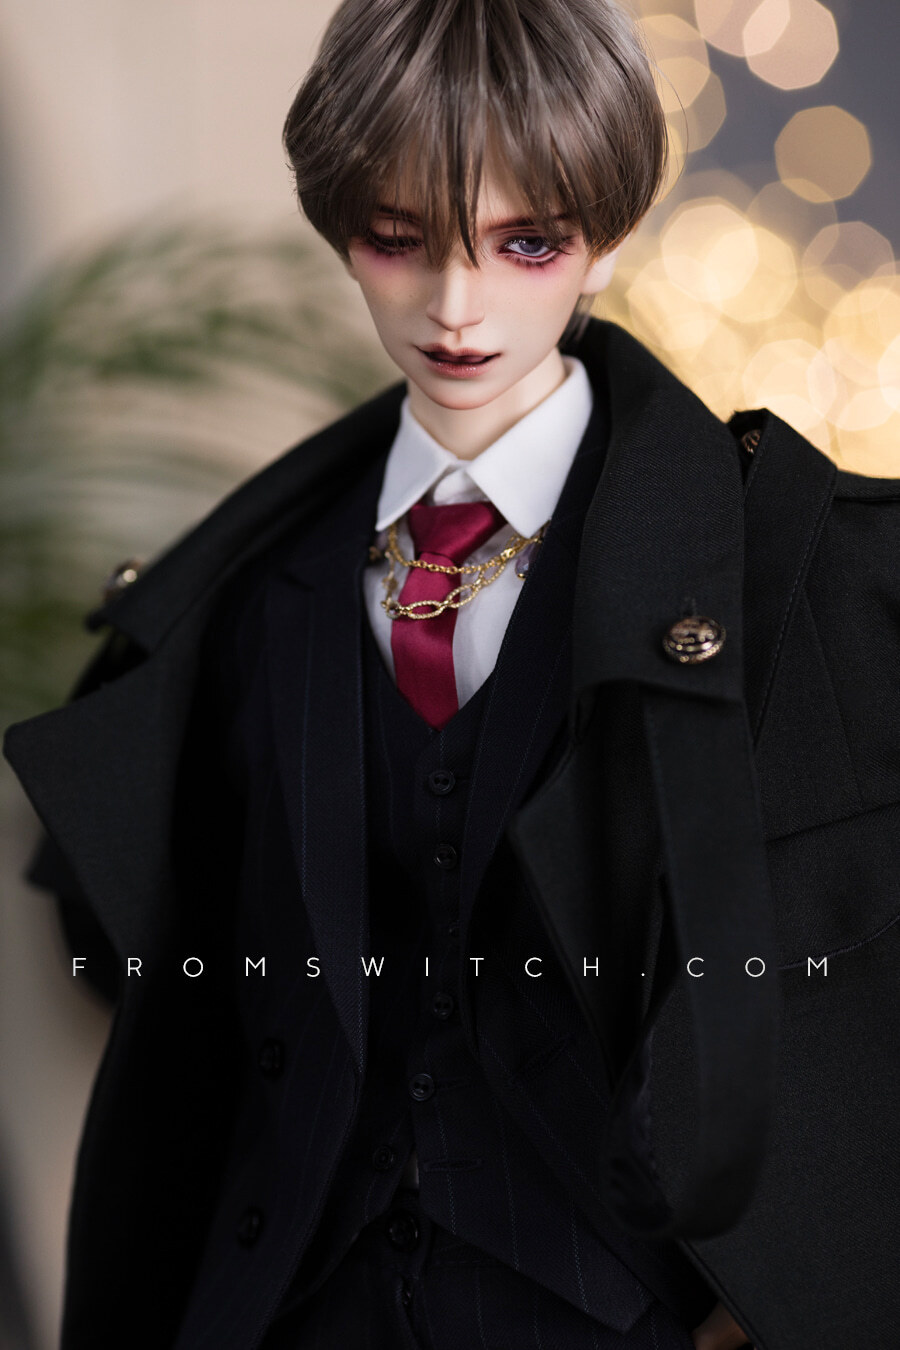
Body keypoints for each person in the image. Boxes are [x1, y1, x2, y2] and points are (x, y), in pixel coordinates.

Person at [4, 1, 899, 1348]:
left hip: (610, 1305)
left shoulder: (789, 569)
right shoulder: (247, 592)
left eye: (526, 242)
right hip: (293, 1304)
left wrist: (776, 1295)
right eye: (398, 238)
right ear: (337, 228)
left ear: (610, 230)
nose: (457, 307)